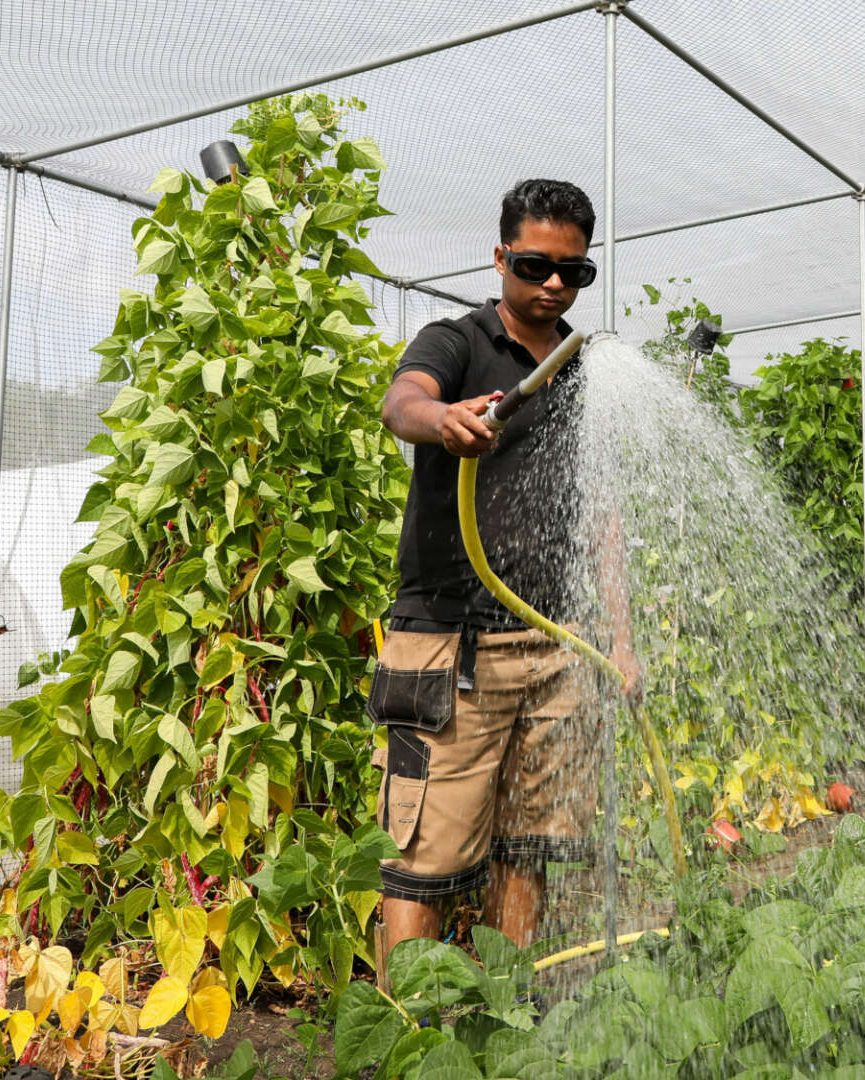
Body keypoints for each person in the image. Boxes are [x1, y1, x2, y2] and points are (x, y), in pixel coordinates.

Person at [372, 178, 641, 965]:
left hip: (556, 649)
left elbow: (602, 514)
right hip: (451, 650)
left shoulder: (582, 369)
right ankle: (409, 1034)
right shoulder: (457, 343)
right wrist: (444, 421)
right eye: (534, 265)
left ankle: (504, 1011)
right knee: (422, 861)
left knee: (534, 847)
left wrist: (618, 642)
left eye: (573, 271)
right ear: (501, 258)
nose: (553, 283)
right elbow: (402, 401)